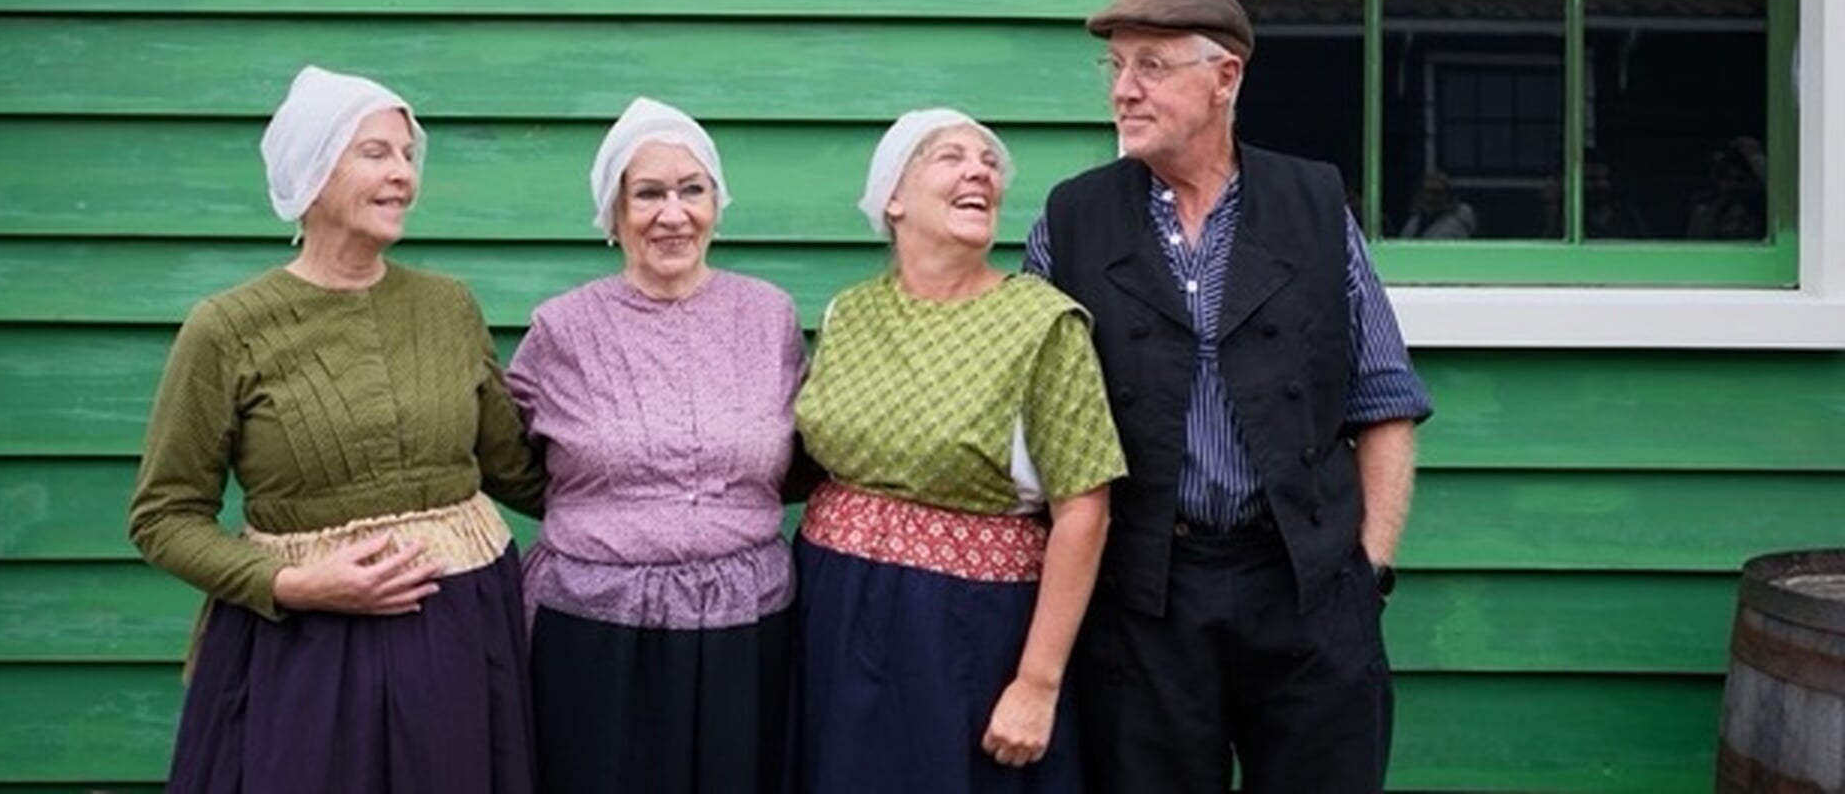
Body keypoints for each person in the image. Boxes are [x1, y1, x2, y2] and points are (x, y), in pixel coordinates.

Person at [1024, 0, 1434, 794]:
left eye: (1151, 65)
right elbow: (1026, 411)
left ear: (1226, 78)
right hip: (1146, 596)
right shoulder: (1071, 220)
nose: (1123, 89)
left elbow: (1384, 400)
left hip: (1307, 588)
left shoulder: (1313, 205)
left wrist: (1369, 575)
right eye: (1115, 66)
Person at [128, 65, 547, 794]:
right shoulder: (227, 328)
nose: (403, 175)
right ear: (313, 169)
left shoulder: (448, 307)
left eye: (408, 155)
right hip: (305, 648)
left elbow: (517, 470)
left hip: (459, 632)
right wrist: (292, 584)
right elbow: (163, 516)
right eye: (375, 153)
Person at [792, 108, 1128, 793]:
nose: (980, 172)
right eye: (951, 157)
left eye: (988, 163)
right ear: (892, 198)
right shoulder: (849, 313)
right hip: (833, 610)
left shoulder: (1041, 323)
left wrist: (1036, 683)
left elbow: (1084, 513)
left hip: (965, 632)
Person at [506, 97, 805, 794]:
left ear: (717, 205)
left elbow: (797, 455)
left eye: (691, 190)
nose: (673, 214)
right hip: (593, 625)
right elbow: (509, 458)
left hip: (746, 622)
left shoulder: (770, 316)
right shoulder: (562, 329)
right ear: (613, 215)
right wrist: (612, 520)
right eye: (647, 194)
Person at [1397, 170, 1477, 239]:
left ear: (1448, 196)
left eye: (1436, 193)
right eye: (1426, 192)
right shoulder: (1413, 224)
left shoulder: (1457, 225)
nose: (1429, 198)